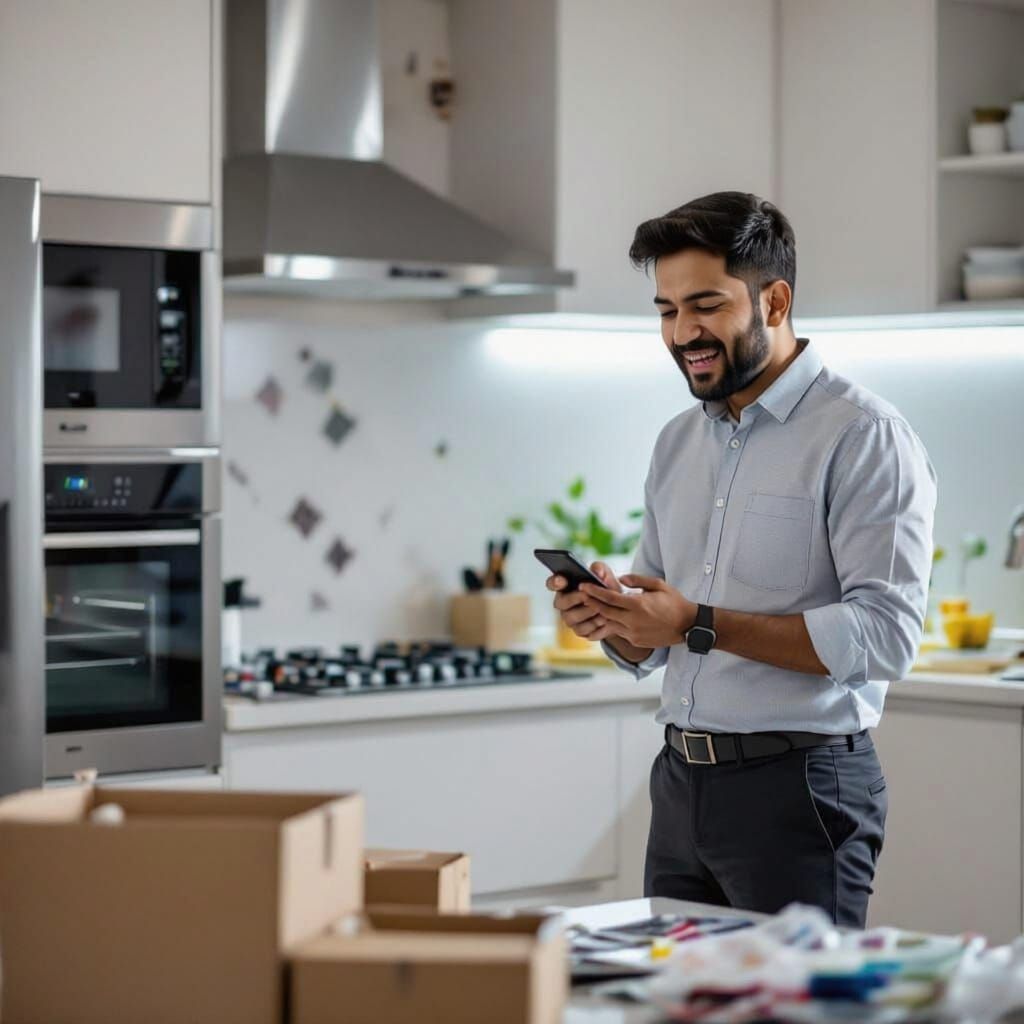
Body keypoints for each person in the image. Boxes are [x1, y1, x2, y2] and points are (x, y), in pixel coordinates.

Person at [546, 191, 936, 928]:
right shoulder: (677, 442)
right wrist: (610, 620)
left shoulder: (863, 435)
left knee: (796, 1011)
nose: (682, 332)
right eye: (666, 310)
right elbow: (660, 634)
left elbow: (886, 637)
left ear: (775, 301)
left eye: (705, 305)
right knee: (674, 1005)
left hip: (801, 789)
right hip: (681, 785)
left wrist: (696, 623)